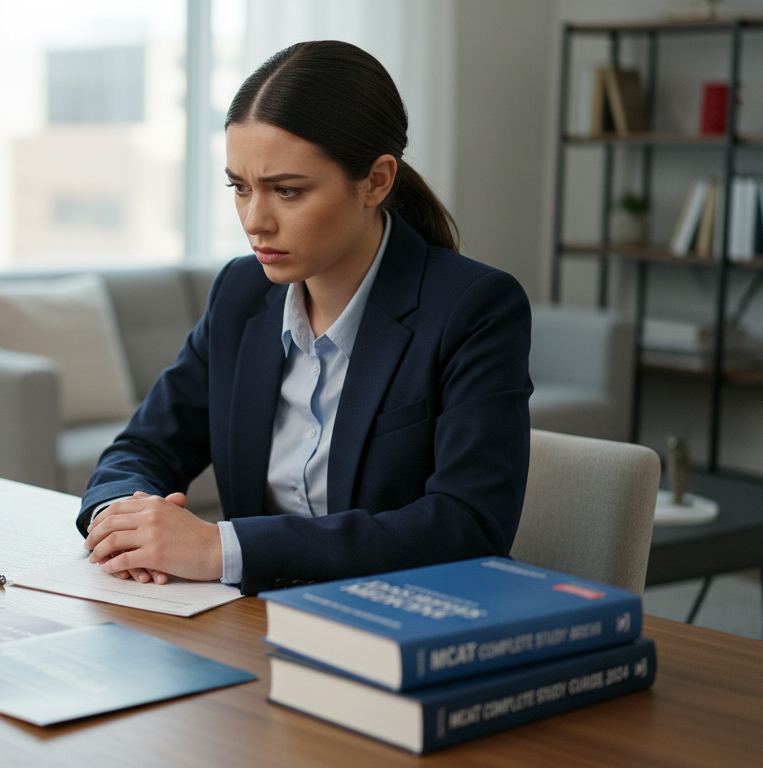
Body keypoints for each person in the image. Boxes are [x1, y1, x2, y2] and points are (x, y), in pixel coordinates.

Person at [80, 41, 531, 595]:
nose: (254, 221)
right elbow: (143, 448)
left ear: (376, 181)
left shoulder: (474, 307)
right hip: (250, 622)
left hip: (390, 627)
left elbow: (468, 526)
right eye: (239, 188)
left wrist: (220, 547)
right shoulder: (240, 293)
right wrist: (123, 519)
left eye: (287, 191)